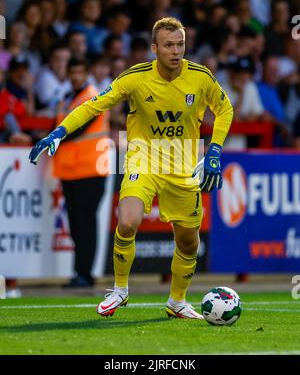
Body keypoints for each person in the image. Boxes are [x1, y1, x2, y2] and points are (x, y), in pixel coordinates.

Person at [29, 17, 233, 319]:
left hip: (184, 162)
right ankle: (120, 290)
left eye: (180, 44)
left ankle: (177, 302)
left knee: (189, 243)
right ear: (154, 48)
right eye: (168, 45)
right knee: (127, 221)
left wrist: (214, 149)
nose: (176, 51)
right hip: (143, 158)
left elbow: (225, 108)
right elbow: (93, 105)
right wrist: (59, 131)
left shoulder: (201, 77)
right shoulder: (135, 77)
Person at [53, 57, 110, 287]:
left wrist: (50, 139)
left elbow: (75, 129)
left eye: (80, 72)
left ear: (85, 73)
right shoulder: (67, 99)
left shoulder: (92, 97)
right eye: (72, 72)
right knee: (77, 224)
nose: (76, 76)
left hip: (90, 169)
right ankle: (81, 272)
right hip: (70, 171)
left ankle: (85, 274)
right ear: (68, 74)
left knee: (85, 224)